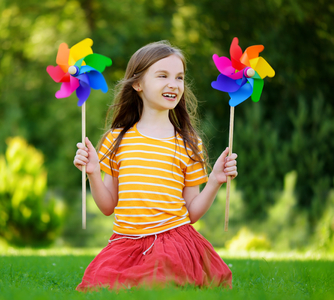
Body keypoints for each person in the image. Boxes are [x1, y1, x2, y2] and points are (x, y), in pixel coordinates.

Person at [73, 41, 237, 291]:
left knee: (158, 282)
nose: (174, 84)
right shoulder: (116, 139)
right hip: (125, 243)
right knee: (102, 285)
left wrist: (214, 181)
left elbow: (191, 213)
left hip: (173, 241)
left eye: (179, 77)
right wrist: (94, 172)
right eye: (163, 76)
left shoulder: (189, 143)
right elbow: (108, 206)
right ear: (137, 84)